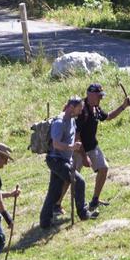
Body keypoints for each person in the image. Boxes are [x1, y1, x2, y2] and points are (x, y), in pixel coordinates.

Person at [76, 82, 130, 212]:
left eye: (101, 96)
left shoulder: (96, 108)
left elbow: (109, 117)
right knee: (70, 177)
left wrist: (124, 106)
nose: (101, 98)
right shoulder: (81, 110)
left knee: (103, 168)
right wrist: (83, 156)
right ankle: (57, 205)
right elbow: (76, 135)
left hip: (92, 146)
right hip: (78, 149)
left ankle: (95, 200)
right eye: (99, 96)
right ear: (90, 95)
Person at [41, 96, 94, 228]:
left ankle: (45, 222)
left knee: (54, 191)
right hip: (56, 160)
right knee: (79, 181)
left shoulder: (72, 120)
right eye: (79, 109)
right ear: (71, 107)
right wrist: (71, 147)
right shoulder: (59, 122)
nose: (81, 111)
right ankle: (83, 213)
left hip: (63, 160)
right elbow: (56, 144)